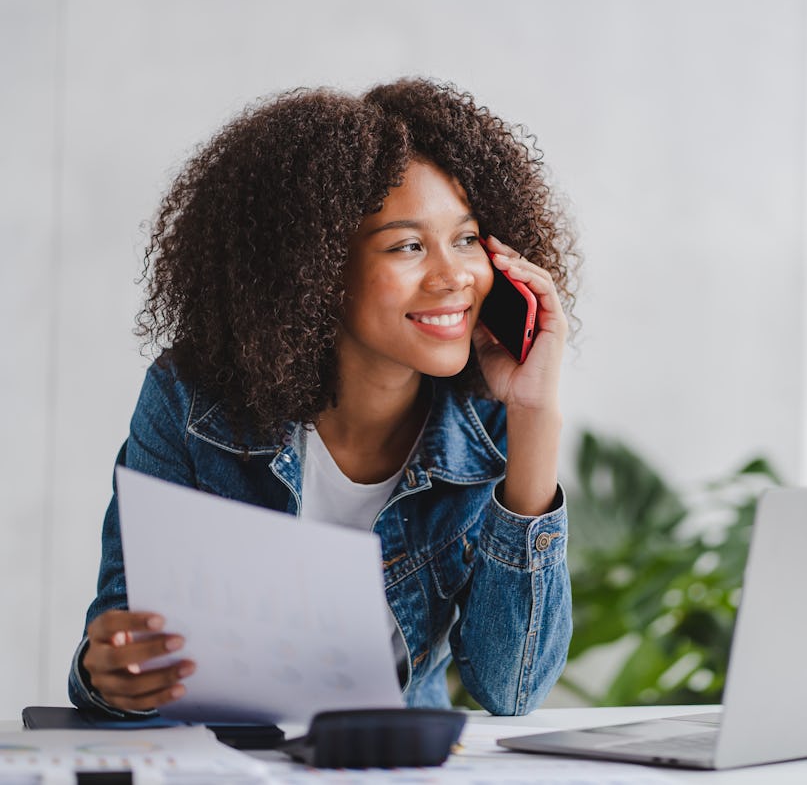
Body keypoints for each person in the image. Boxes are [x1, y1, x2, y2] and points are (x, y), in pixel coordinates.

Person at [68, 78, 580, 718]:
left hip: (387, 762)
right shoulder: (191, 403)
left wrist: (535, 418)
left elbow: (513, 690)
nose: (453, 277)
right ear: (315, 267)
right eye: (408, 246)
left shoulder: (489, 420)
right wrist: (107, 674)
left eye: (468, 238)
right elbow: (120, 643)